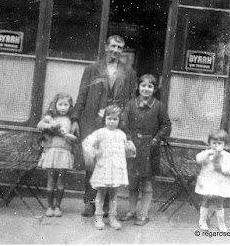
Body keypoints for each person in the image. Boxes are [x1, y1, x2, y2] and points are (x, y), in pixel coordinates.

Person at [71, 35, 137, 217]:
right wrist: (75, 119)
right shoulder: (92, 69)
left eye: (120, 48)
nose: (116, 50)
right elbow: (82, 95)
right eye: (113, 46)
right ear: (106, 47)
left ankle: (107, 205)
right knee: (91, 162)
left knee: (110, 163)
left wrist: (124, 121)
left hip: (115, 124)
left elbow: (131, 101)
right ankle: (90, 202)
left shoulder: (129, 72)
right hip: (92, 121)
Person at [120, 74, 171, 226]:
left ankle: (144, 214)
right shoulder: (130, 105)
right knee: (133, 182)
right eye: (143, 86)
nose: (146, 89)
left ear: (154, 89)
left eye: (150, 86)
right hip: (133, 148)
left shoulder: (159, 106)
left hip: (150, 149)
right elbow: (123, 123)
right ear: (138, 87)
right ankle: (131, 211)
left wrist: (156, 140)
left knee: (147, 182)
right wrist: (128, 139)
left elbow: (166, 126)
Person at [82, 105, 136, 230]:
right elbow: (87, 143)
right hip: (104, 167)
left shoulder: (122, 134)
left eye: (115, 119)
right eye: (109, 118)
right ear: (105, 119)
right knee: (101, 192)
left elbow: (127, 152)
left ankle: (112, 217)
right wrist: (94, 152)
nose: (112, 122)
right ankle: (98, 217)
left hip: (116, 168)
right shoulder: (100, 133)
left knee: (114, 194)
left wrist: (130, 149)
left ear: (119, 121)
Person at [37, 92, 76, 217]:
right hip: (52, 151)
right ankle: (50, 206)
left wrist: (69, 136)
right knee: (50, 179)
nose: (63, 107)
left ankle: (58, 206)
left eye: (66, 105)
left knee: (60, 181)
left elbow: (75, 137)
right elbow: (39, 125)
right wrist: (51, 125)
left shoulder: (72, 121)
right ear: (55, 105)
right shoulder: (51, 118)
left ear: (70, 106)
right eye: (60, 104)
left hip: (64, 152)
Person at [195, 129, 230, 232]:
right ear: (209, 143)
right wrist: (207, 154)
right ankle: (202, 221)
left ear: (224, 144)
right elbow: (199, 159)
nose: (216, 145)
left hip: (220, 183)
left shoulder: (227, 156)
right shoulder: (206, 153)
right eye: (214, 143)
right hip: (207, 182)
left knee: (219, 203)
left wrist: (222, 168)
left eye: (219, 143)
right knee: (206, 201)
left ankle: (221, 223)